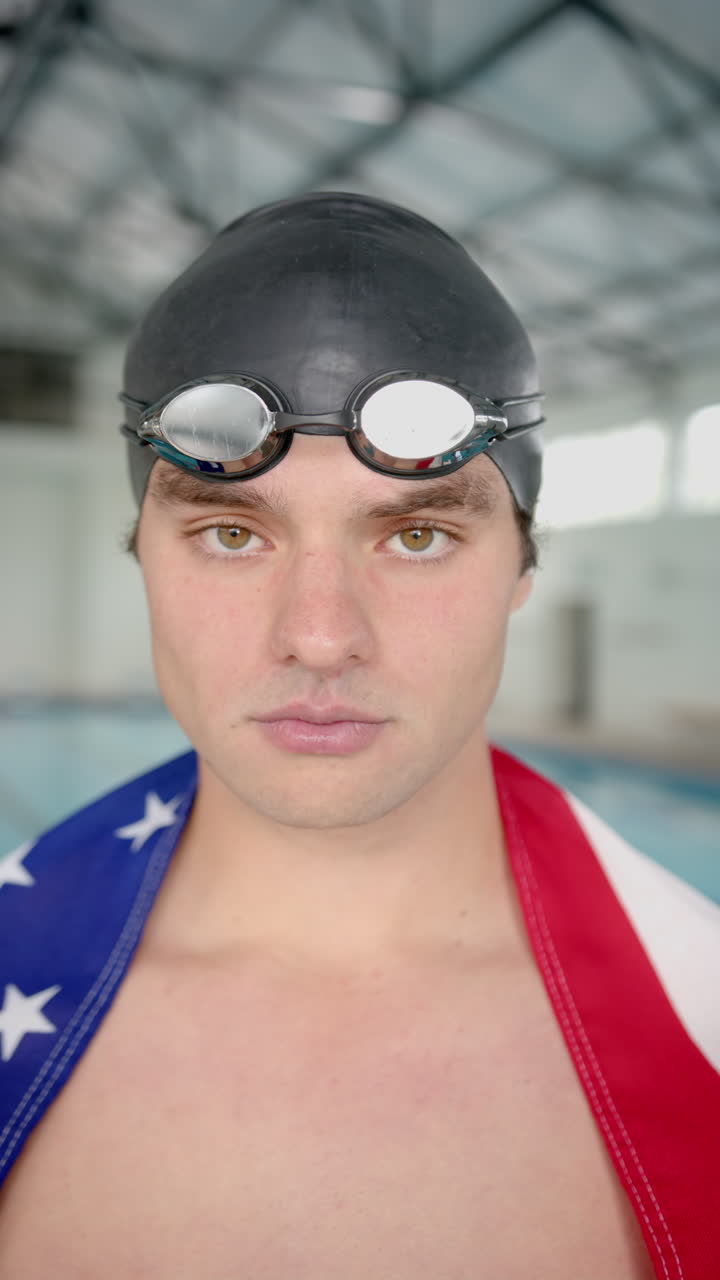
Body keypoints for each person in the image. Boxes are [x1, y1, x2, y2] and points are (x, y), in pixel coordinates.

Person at [0, 192, 717, 1279]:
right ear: (140, 551)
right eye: (233, 531)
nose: (322, 635)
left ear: (523, 564)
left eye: (418, 532)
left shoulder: (702, 1007)